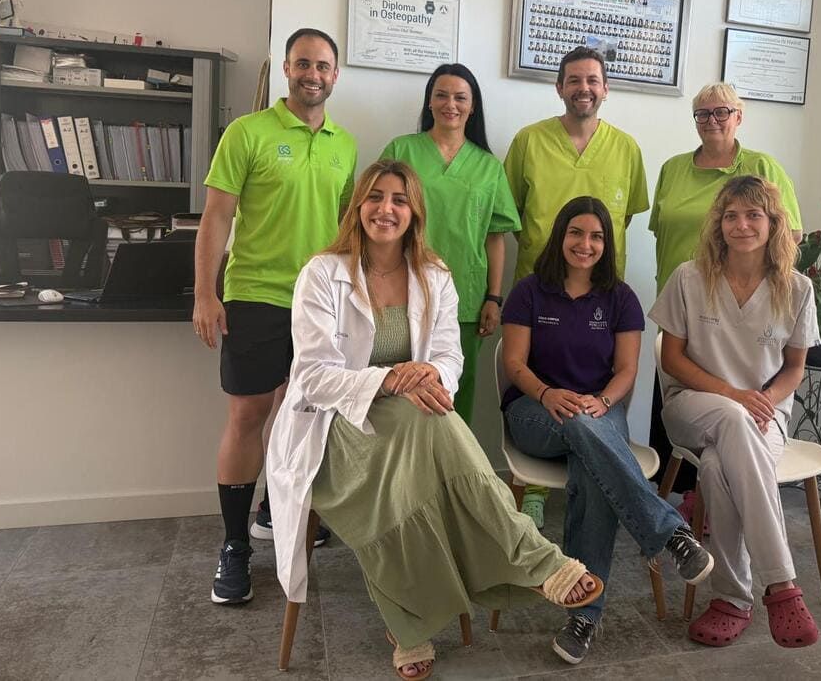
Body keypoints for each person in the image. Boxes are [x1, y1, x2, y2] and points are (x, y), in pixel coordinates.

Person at [267, 161, 604, 680]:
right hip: (334, 428)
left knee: (430, 424)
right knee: (433, 424)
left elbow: (451, 358)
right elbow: (312, 376)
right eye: (375, 197)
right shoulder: (322, 273)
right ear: (358, 206)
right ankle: (534, 558)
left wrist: (428, 370)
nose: (386, 209)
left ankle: (409, 624)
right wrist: (392, 380)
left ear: (414, 212)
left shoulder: (435, 275)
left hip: (414, 419)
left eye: (399, 200)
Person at [501, 196, 713, 664]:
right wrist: (547, 394)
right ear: (561, 236)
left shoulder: (621, 298)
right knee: (584, 433)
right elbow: (513, 363)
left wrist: (601, 402)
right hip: (535, 411)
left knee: (594, 470)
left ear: (607, 244)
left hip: (600, 411)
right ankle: (668, 532)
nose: (585, 243)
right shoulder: (529, 292)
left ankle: (583, 616)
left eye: (596, 236)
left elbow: (626, 371)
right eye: (576, 232)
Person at [193, 27, 357, 605]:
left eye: (324, 66)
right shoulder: (248, 133)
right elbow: (215, 218)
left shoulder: (344, 143)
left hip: (320, 302)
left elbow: (346, 230)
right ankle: (235, 546)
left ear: (336, 74)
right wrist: (205, 294)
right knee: (248, 417)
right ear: (287, 70)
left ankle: (275, 510)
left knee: (308, 411)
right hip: (256, 296)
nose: (314, 74)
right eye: (304, 64)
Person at [649, 175, 821, 650]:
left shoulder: (798, 288)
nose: (740, 225)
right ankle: (782, 584)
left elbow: (794, 369)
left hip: (765, 413)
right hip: (693, 404)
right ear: (718, 224)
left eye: (753, 215)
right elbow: (673, 359)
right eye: (730, 216)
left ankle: (731, 598)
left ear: (773, 223)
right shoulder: (689, 276)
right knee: (729, 418)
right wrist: (733, 395)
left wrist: (761, 401)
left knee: (717, 466)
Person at [504, 45, 649, 528]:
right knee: (557, 398)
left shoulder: (627, 148)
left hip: (599, 306)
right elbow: (513, 213)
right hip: (540, 298)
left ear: (605, 89)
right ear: (559, 86)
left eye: (593, 80)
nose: (583, 88)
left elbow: (620, 218)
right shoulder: (528, 141)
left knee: (593, 399)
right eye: (574, 79)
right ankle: (545, 494)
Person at [648, 83, 804, 513]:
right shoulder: (673, 168)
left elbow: (790, 236)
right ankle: (684, 497)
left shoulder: (760, 165)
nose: (712, 120)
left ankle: (710, 501)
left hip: (744, 304)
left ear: (739, 117)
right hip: (685, 301)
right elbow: (663, 233)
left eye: (722, 112)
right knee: (685, 396)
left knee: (733, 404)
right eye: (702, 114)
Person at [381, 64, 520, 426]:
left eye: (461, 97)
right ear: (429, 101)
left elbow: (495, 236)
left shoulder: (488, 166)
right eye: (441, 95)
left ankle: (452, 478)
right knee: (400, 392)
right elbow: (377, 218)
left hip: (467, 298)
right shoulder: (402, 150)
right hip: (400, 291)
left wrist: (493, 297)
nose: (450, 104)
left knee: (455, 394)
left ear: (473, 107)